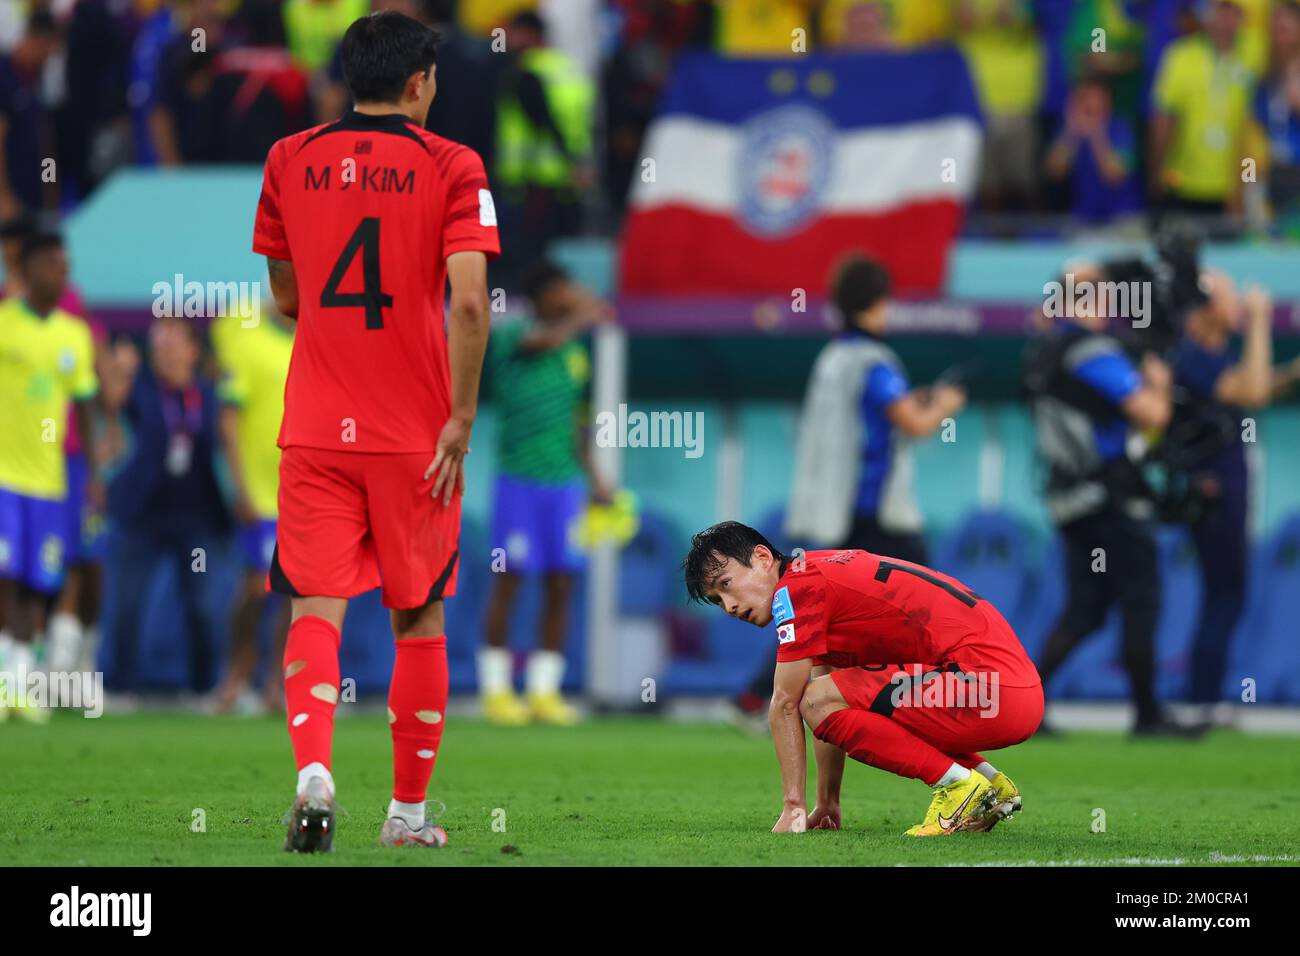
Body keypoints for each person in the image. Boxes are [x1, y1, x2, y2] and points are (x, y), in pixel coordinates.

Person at [253, 11, 498, 852]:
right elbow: (469, 302)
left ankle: (313, 771)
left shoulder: (289, 158)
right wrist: (461, 417)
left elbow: (287, 294)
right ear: (421, 81)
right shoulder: (455, 167)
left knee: (312, 610)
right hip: (415, 438)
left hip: (317, 426)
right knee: (418, 619)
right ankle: (405, 814)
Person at [683, 521, 1043, 837]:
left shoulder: (795, 590)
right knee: (829, 698)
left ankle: (959, 787)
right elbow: (827, 694)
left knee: (813, 699)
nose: (729, 606)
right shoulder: (815, 570)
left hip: (988, 689)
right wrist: (826, 803)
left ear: (762, 558)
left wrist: (793, 807)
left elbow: (785, 703)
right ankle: (991, 785)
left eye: (727, 584)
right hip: (1008, 692)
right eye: (717, 599)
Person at [1023, 263, 1198, 737]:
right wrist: (1158, 377)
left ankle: (1027, 707)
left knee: (1087, 608)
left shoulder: (1046, 350)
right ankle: (1148, 714)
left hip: (1069, 501)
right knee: (1142, 598)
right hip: (1107, 498)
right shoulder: (1092, 351)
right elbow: (1151, 414)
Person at [478, 261, 613, 726]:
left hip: (565, 488)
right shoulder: (513, 332)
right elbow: (543, 340)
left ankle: (543, 692)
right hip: (518, 481)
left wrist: (595, 476)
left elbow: (577, 420)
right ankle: (496, 691)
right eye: (562, 288)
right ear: (542, 294)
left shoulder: (576, 353)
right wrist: (585, 311)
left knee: (561, 584)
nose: (570, 295)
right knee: (510, 581)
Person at [1171, 275, 1300, 723]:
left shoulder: (1214, 355)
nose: (1242, 303)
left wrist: (1293, 372)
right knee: (1224, 591)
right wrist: (1263, 320)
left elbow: (1254, 381)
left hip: (1228, 485)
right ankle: (1201, 699)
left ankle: (1204, 697)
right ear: (1207, 308)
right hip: (1212, 489)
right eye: (1231, 298)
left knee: (1226, 592)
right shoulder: (1190, 356)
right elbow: (1254, 392)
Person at [100, 315, 231, 699]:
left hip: (196, 521)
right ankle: (120, 689)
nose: (165, 352)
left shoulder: (209, 395)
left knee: (204, 606)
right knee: (127, 603)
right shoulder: (140, 390)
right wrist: (118, 371)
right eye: (159, 345)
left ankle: (204, 690)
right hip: (142, 519)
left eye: (174, 344)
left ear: (193, 350)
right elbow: (109, 404)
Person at [0, 232, 99, 723]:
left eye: (66, 265)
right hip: (4, 475)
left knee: (38, 583)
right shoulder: (4, 324)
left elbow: (83, 408)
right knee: (6, 573)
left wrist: (95, 475)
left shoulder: (74, 335)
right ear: (29, 269)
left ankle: (15, 679)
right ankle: (8, 678)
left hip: (49, 480)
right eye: (53, 265)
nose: (62, 274)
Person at [210, 301, 294, 714]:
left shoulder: (315, 345)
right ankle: (237, 670)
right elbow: (227, 420)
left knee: (294, 593)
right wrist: (238, 486)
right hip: (259, 495)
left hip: (303, 494)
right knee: (256, 587)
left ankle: (276, 683)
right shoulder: (247, 338)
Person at [1149, 0, 1258, 223]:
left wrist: (1243, 189)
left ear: (1242, 17)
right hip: (1182, 181)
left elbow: (1249, 131)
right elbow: (1164, 119)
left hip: (1233, 186)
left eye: (1231, 11)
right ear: (1205, 15)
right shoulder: (1180, 55)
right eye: (1218, 10)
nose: (1224, 20)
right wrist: (1157, 173)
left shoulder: (1255, 53)